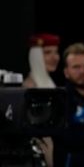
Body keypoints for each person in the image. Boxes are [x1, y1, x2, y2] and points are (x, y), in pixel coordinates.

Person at [22, 32, 61, 167]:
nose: (54, 57)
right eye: (47, 53)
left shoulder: (49, 84)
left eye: (56, 52)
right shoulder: (30, 88)